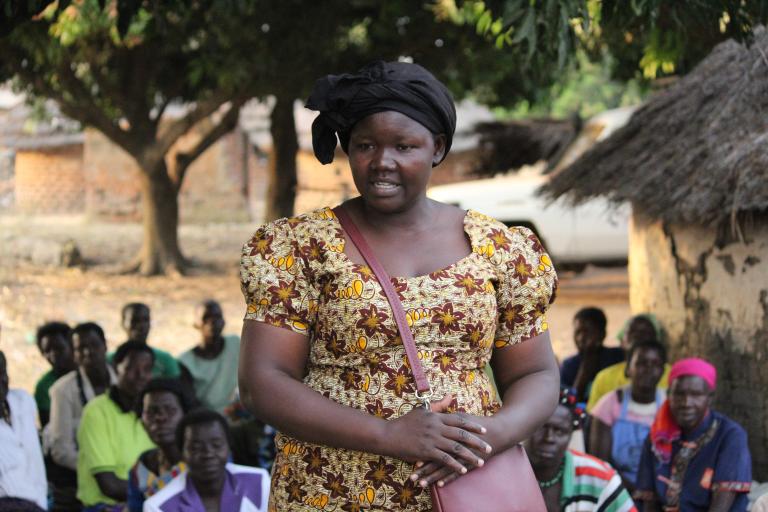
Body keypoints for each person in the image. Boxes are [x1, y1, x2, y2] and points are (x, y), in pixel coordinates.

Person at [238, 61, 560, 510]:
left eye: (404, 146)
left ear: (437, 148)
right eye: (365, 145)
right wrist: (389, 434)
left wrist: (487, 437)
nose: (382, 162)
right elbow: (263, 381)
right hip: (330, 491)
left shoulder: (500, 249)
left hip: (465, 489)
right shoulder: (300, 247)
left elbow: (535, 373)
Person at [634, 358, 752, 511]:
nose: (686, 403)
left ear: (710, 398)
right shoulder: (658, 438)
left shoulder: (730, 436)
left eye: (696, 394)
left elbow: (720, 506)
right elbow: (648, 500)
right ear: (669, 394)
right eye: (679, 394)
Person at [528, 387, 636, 512]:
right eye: (540, 427)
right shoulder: (508, 472)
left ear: (570, 435)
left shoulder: (601, 478)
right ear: (524, 428)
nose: (549, 438)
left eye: (559, 431)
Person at [76, 341, 155, 510]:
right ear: (115, 367)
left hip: (148, 501)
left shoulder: (152, 413)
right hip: (105, 506)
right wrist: (161, 493)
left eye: (147, 369)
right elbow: (109, 486)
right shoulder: (96, 412)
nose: (140, 375)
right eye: (131, 368)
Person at [46, 322, 117, 511]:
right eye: (80, 348)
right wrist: (98, 468)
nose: (88, 352)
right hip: (83, 480)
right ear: (73, 354)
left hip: (125, 472)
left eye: (94, 345)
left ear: (105, 345)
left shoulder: (123, 380)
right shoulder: (63, 390)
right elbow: (61, 450)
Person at [143, 409, 270, 512]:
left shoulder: (258, 482)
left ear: (229, 447)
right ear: (182, 453)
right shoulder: (158, 507)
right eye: (196, 448)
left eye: (216, 445)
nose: (208, 454)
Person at [589, 339, 667, 490]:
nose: (648, 369)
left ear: (663, 371)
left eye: (655, 364)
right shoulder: (610, 404)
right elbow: (600, 462)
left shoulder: (667, 405)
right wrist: (632, 490)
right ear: (628, 369)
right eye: (641, 363)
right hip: (614, 486)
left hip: (657, 488)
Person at [127, 378, 194, 512]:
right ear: (142, 422)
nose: (160, 418)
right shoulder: (142, 467)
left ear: (185, 416)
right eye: (151, 412)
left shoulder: (206, 460)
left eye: (170, 410)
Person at [586, 314, 671, 412]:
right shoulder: (604, 378)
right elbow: (592, 416)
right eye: (632, 331)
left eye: (645, 332)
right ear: (622, 340)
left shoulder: (671, 376)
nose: (638, 336)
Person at [0, 350, 48, 511]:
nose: (2, 381)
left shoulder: (23, 402)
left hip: (38, 503)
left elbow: (35, 463)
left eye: (3, 373)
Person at [177, 300, 240, 412]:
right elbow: (190, 402)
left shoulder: (235, 344)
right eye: (206, 318)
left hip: (237, 412)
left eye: (217, 317)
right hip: (207, 417)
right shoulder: (185, 362)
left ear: (223, 321)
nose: (212, 322)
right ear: (196, 324)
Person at [560, 307, 625, 401]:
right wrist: (584, 371)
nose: (581, 338)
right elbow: (567, 402)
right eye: (578, 332)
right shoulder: (569, 365)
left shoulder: (618, 357)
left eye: (587, 332)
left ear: (602, 334)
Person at [110, 303, 180, 379]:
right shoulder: (109, 360)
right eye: (135, 321)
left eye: (146, 320)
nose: (141, 326)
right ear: (123, 323)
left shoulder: (165, 360)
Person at [34, 321, 76, 426]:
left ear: (72, 345)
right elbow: (49, 428)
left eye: (59, 348)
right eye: (47, 351)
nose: (53, 354)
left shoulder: (92, 372)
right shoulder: (44, 387)